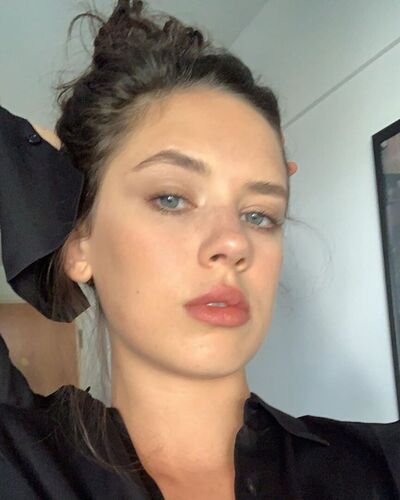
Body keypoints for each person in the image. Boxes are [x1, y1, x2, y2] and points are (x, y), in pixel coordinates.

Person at [0, 1, 399, 498]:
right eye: (171, 198)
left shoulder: (383, 467)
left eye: (259, 214)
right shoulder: (20, 468)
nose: (233, 242)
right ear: (79, 243)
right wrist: (32, 162)